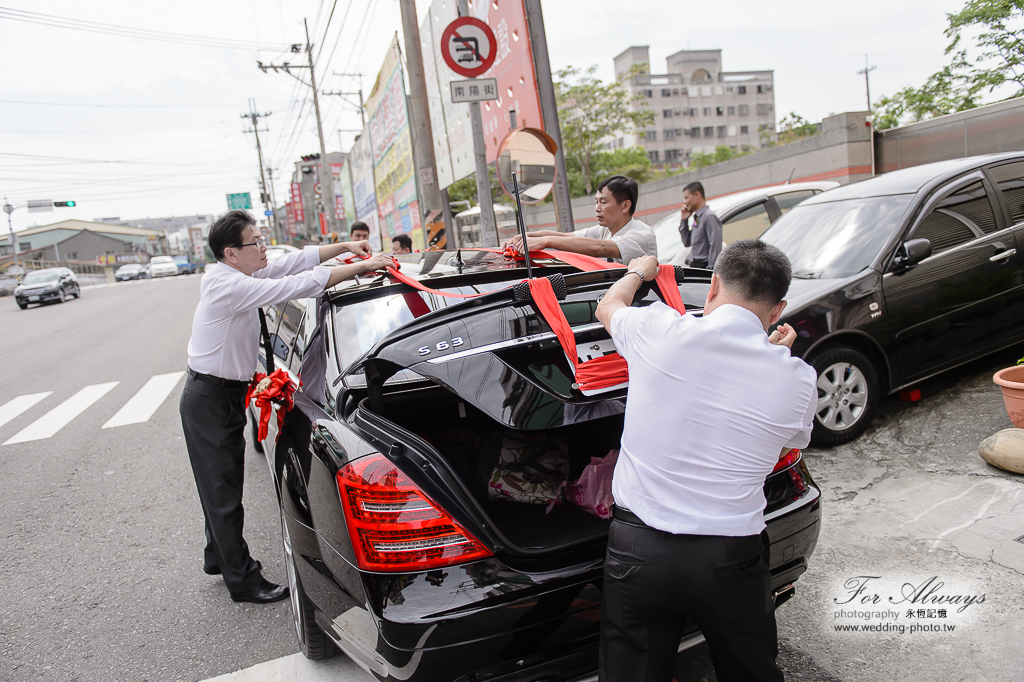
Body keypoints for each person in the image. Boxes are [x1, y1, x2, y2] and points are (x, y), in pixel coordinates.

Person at [593, 239, 817, 682]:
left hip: (639, 550)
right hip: (729, 557)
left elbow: (607, 306)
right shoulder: (796, 379)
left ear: (712, 285)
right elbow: (787, 437)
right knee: (749, 672)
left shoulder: (659, 331)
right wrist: (778, 355)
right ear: (778, 310)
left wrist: (640, 271)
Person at [180, 210, 393, 604]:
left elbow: (292, 262)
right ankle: (243, 581)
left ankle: (217, 555)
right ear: (231, 252)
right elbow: (299, 283)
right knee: (223, 492)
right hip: (210, 399)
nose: (263, 248)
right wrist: (363, 265)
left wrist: (344, 247)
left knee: (222, 484)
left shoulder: (237, 274)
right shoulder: (230, 287)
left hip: (220, 395)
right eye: (255, 242)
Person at [505, 175, 657, 263]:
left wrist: (546, 242)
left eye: (603, 202)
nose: (597, 208)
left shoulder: (641, 235)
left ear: (625, 206)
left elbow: (599, 248)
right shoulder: (605, 230)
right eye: (596, 202)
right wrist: (525, 237)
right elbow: (566, 236)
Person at [682, 181, 723, 269]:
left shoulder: (709, 216)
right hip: (695, 266)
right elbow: (687, 242)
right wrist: (684, 220)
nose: (684, 202)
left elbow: (715, 244)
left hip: (704, 267)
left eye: (686, 198)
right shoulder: (698, 218)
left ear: (697, 195)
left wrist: (711, 270)